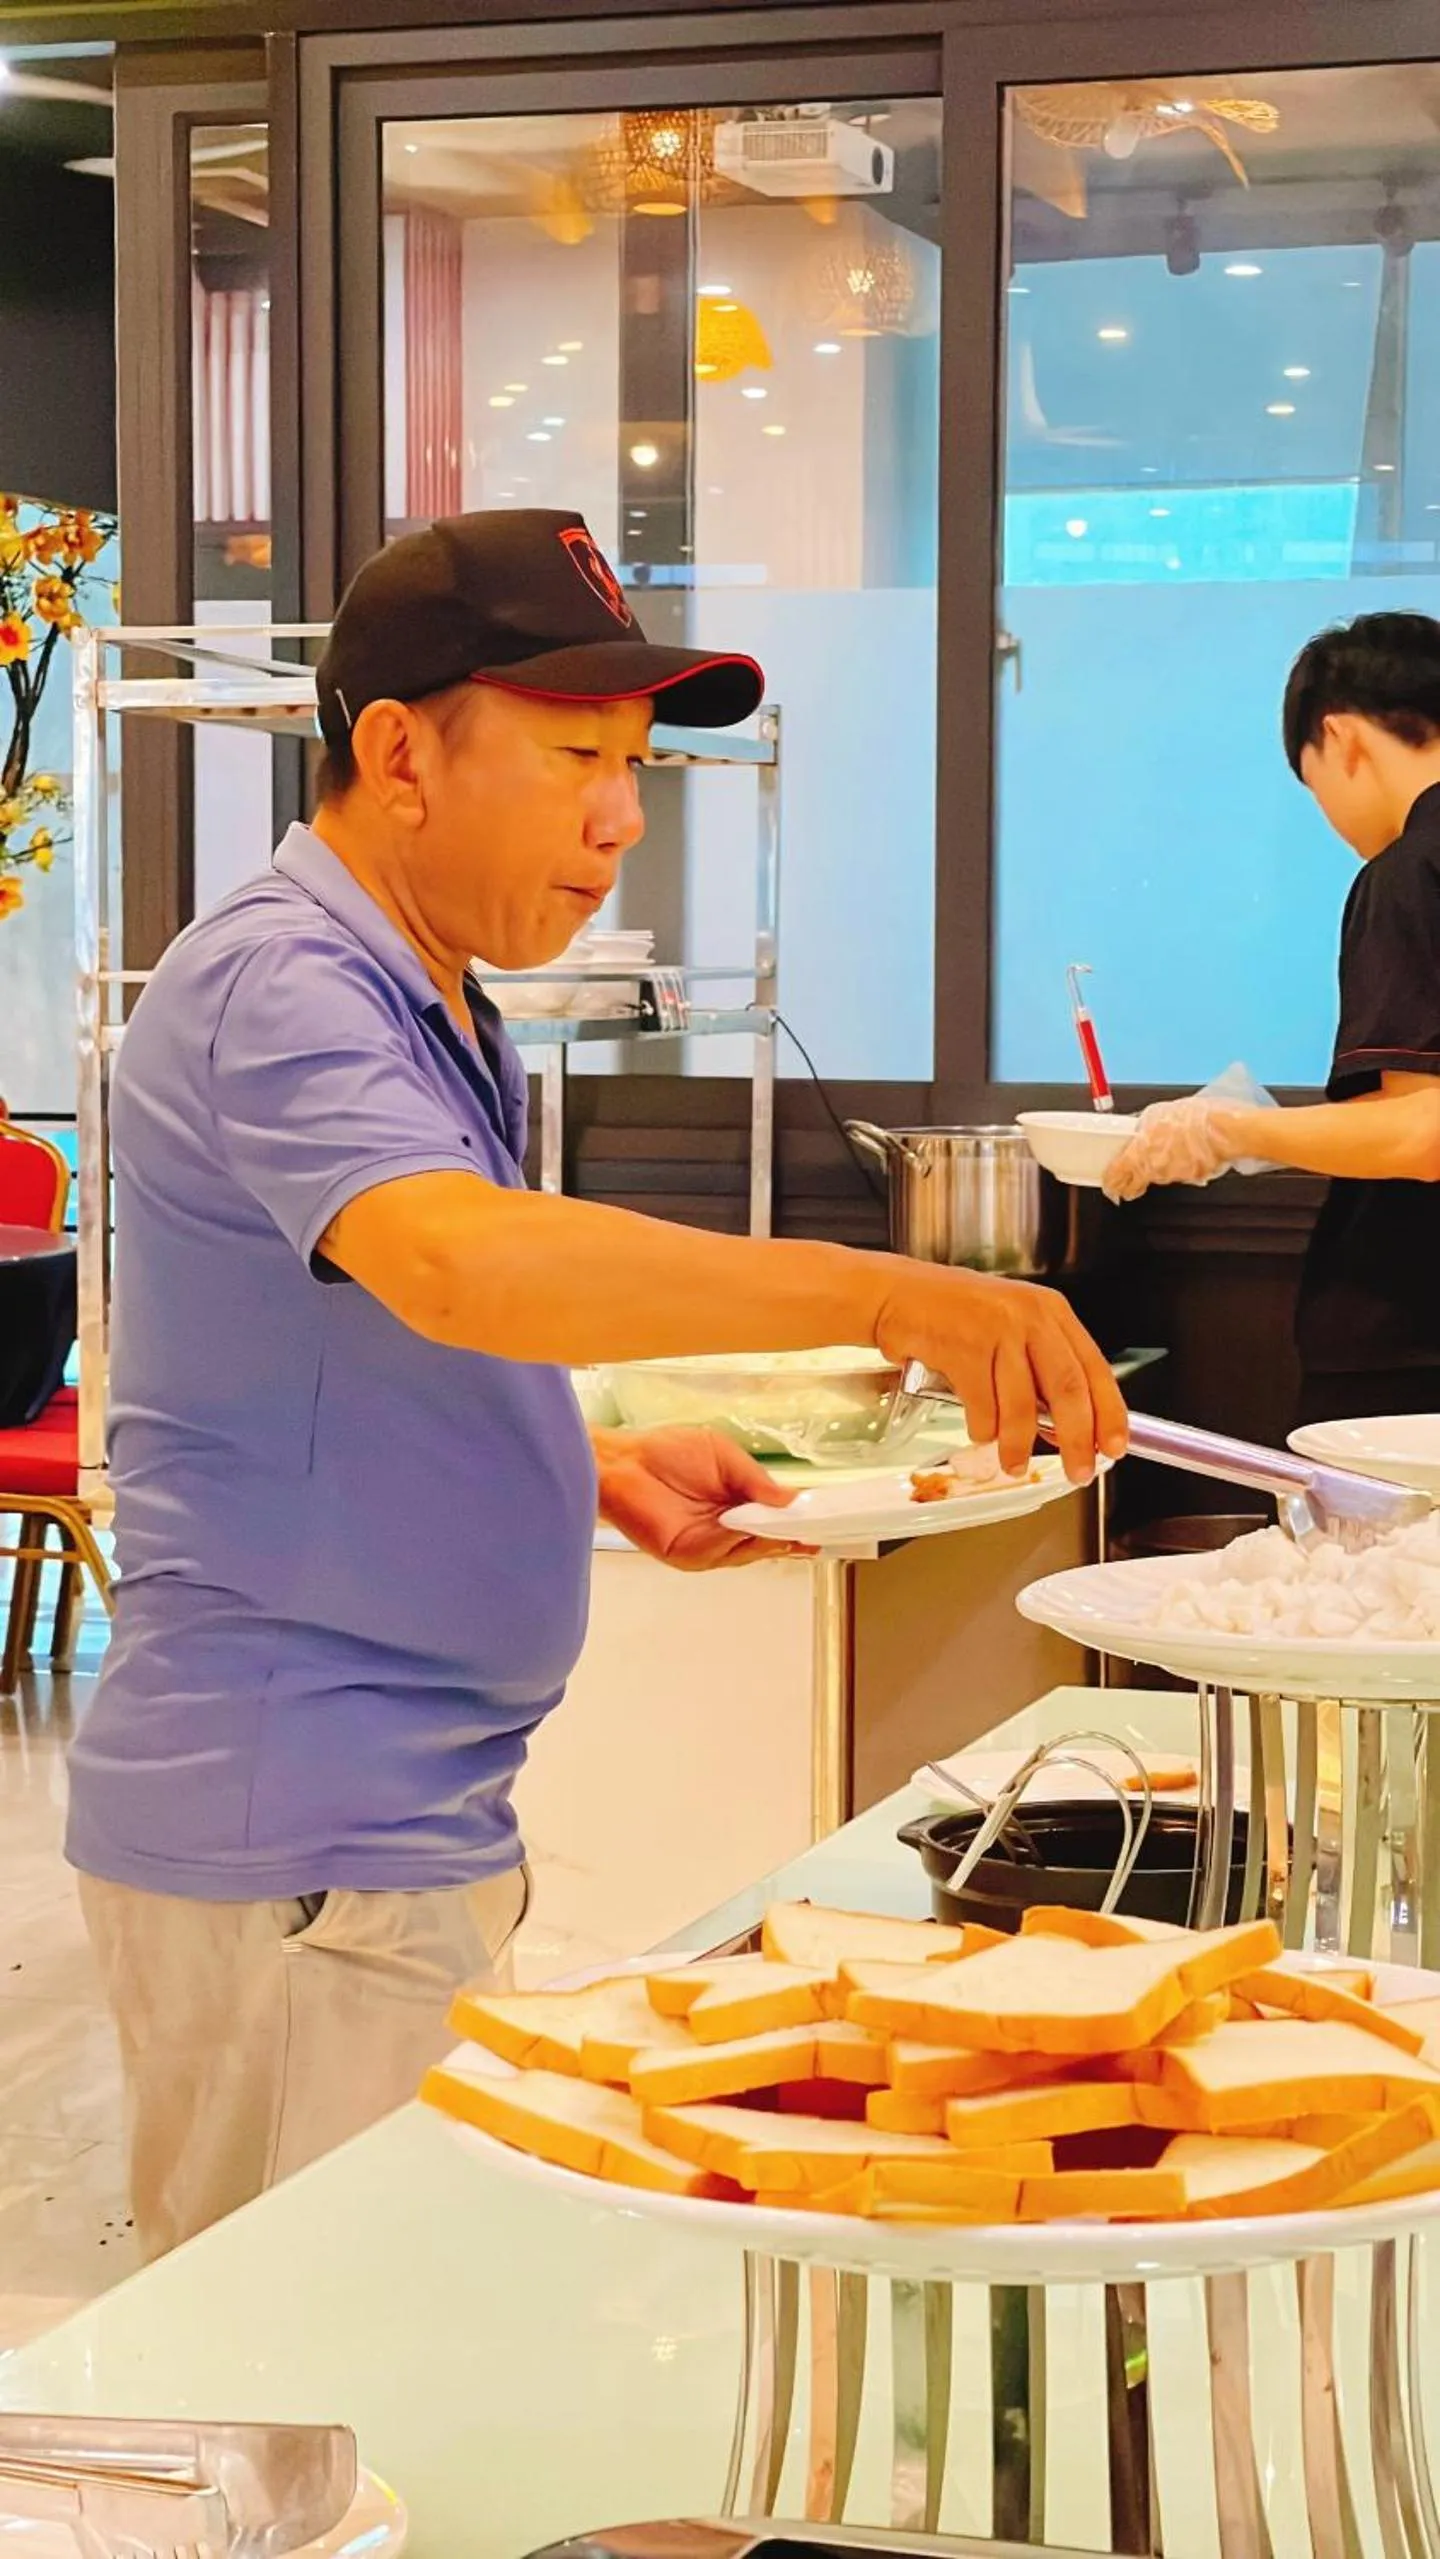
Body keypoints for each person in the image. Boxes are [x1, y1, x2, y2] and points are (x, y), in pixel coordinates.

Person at [67, 509, 1128, 2258]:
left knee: (389, 2359)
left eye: (638, 766)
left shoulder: (427, 990)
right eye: (575, 757)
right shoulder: (284, 977)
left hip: (393, 1814)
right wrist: (884, 1291)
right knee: (310, 2397)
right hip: (298, 1831)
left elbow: (372, 1336)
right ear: (400, 752)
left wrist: (586, 1460)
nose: (622, 817)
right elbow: (465, 1259)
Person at [1104, 610, 1440, 1426]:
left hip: (1408, 1344)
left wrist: (1232, 1130)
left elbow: (1422, 1132)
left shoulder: (1409, 869)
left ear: (1343, 736)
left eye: (1313, 778)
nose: (1327, 812)